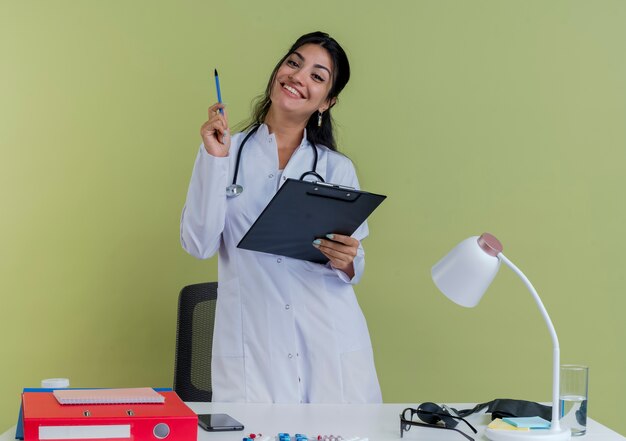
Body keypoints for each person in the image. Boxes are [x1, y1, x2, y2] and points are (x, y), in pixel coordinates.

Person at [180, 31, 382, 403]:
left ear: (327, 102)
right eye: (294, 63)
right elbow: (199, 244)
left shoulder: (336, 169)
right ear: (278, 71)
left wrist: (349, 260)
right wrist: (215, 161)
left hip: (330, 342)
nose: (299, 77)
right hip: (253, 346)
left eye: (317, 76)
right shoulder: (225, 150)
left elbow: (356, 263)